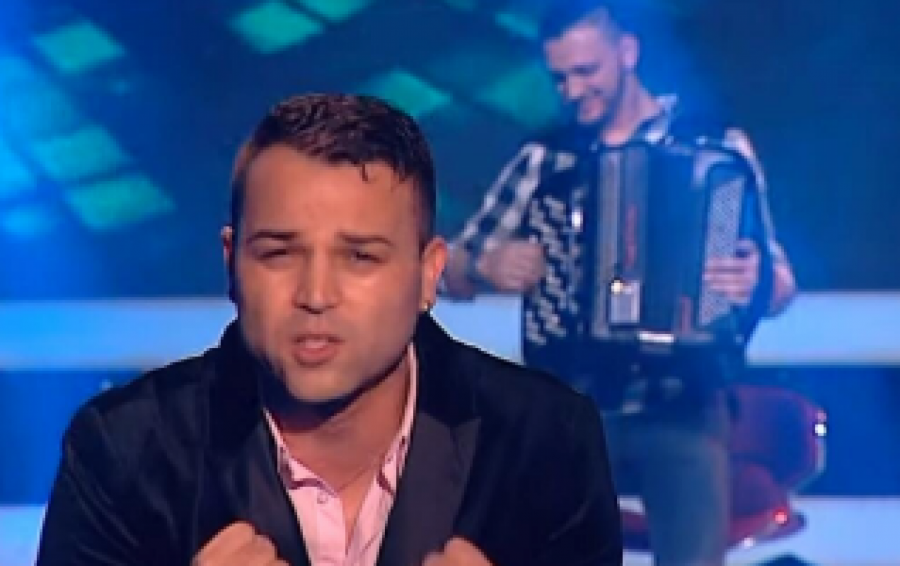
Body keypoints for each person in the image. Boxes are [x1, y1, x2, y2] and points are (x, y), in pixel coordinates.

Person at [35, 93, 623, 566]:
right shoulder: (124, 452)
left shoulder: (545, 442)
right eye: (278, 254)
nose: (315, 295)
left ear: (428, 274)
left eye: (360, 257)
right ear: (232, 264)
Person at [442, 3, 797, 565]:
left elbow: (779, 284)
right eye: (560, 78)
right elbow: (446, 269)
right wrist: (486, 265)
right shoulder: (547, 160)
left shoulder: (716, 150)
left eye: (587, 72)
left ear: (627, 53)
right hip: (575, 407)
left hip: (682, 403)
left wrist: (756, 282)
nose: (573, 90)